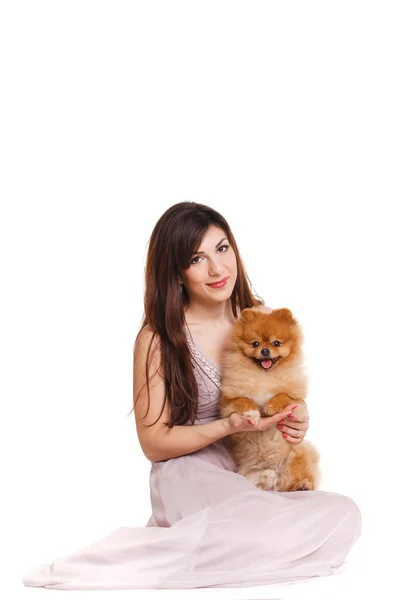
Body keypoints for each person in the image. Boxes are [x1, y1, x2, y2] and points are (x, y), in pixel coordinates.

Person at [22, 201, 362, 590]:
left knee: (343, 513)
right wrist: (227, 425)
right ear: (177, 273)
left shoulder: (258, 319)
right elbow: (154, 443)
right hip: (187, 467)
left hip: (252, 467)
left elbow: (286, 388)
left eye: (222, 249)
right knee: (248, 519)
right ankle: (153, 554)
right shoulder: (159, 338)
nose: (217, 269)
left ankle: (215, 547)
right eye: (197, 258)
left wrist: (296, 416)